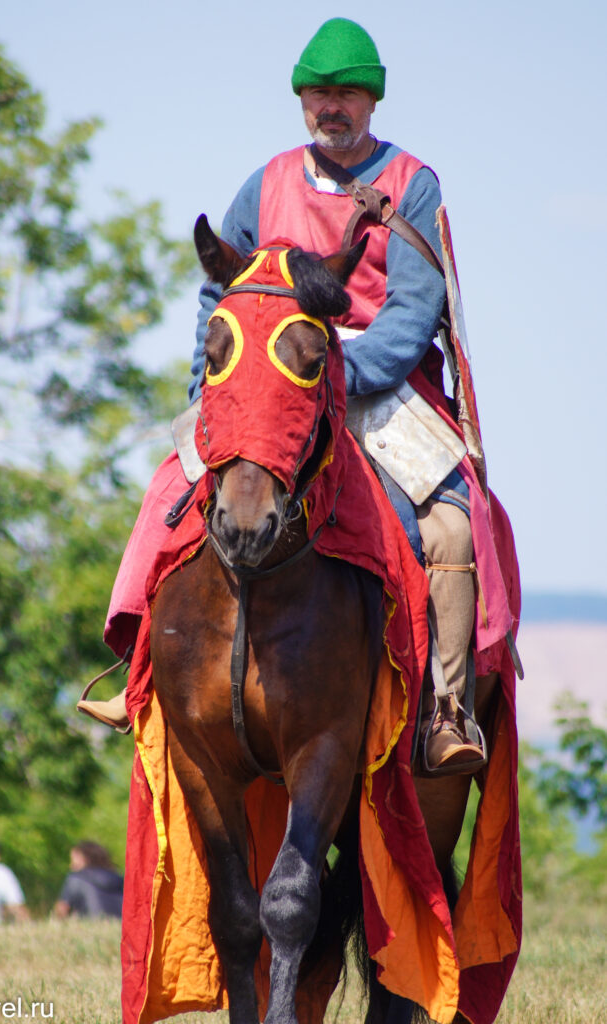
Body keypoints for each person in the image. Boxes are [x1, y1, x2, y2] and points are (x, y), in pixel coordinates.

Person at [80, 18, 501, 775]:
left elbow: (411, 310)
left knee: (450, 525)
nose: (328, 107)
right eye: (316, 95)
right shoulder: (267, 181)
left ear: (370, 101)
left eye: (343, 94)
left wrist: (338, 371)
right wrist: (216, 383)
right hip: (264, 390)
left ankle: (445, 711)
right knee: (169, 490)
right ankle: (139, 674)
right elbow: (221, 290)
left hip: (377, 387)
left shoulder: (413, 183)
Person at [53, 840, 123, 918]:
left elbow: (62, 909)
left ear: (85, 859)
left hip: (93, 922)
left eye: (74, 861)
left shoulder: (77, 878)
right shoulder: (118, 878)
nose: (71, 866)